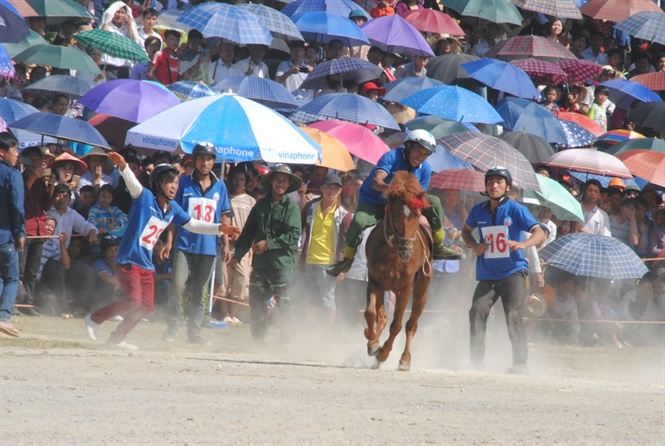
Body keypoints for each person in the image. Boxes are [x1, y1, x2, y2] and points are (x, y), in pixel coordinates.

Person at [83, 153, 240, 350]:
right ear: (158, 183)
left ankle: (117, 337)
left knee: (146, 306)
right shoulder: (144, 198)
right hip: (129, 261)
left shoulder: (173, 208)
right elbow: (132, 183)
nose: (174, 187)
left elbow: (193, 224)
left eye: (176, 182)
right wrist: (123, 166)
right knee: (133, 300)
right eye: (169, 183)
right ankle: (94, 319)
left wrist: (219, 228)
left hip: (146, 265)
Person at [327, 129, 462, 277]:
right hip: (374, 203)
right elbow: (376, 182)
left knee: (434, 200)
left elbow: (419, 196)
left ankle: (438, 245)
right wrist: (395, 189)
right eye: (418, 151)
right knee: (358, 221)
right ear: (409, 146)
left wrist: (417, 209)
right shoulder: (391, 156)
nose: (421, 157)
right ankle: (347, 260)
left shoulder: (426, 169)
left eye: (425, 154)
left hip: (402, 205)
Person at [461, 167, 546, 373]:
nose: (494, 186)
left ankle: (520, 363)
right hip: (488, 273)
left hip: (513, 271)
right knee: (477, 311)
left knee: (513, 314)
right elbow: (465, 231)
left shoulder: (516, 209)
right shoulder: (477, 210)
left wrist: (523, 245)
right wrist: (474, 245)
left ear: (507, 187)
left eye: (499, 182)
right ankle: (476, 362)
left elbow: (539, 232)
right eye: (490, 182)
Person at [162, 143, 232, 345]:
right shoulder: (183, 182)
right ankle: (172, 327)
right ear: (194, 159)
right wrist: (169, 241)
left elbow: (224, 218)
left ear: (214, 161)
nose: (205, 162)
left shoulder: (220, 186)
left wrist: (225, 245)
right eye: (201, 158)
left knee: (200, 291)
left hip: (208, 247)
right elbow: (174, 216)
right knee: (177, 285)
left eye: (209, 158)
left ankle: (194, 332)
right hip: (183, 245)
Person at [230, 164, 302, 342]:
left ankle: (288, 340)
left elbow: (293, 235)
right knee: (257, 304)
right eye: (277, 179)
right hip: (261, 265)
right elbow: (247, 233)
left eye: (285, 180)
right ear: (271, 182)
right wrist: (237, 256)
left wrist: (269, 244)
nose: (281, 183)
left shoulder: (291, 208)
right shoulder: (260, 205)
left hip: (281, 265)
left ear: (289, 184)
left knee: (284, 303)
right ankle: (258, 341)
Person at [298, 173, 348, 332]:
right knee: (303, 299)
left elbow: (347, 245)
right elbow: (299, 227)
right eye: (328, 187)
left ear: (340, 191)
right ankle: (305, 331)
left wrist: (343, 268)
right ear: (321, 188)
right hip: (307, 262)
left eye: (335, 188)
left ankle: (325, 336)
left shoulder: (344, 215)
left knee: (328, 301)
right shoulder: (311, 207)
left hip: (329, 264)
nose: (331, 192)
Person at [19, 146, 54, 316]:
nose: (38, 162)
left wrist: (52, 186)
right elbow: (21, 197)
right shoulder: (20, 178)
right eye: (33, 159)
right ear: (24, 161)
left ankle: (28, 303)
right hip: (25, 229)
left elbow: (46, 205)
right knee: (19, 270)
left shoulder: (41, 181)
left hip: (39, 230)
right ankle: (15, 302)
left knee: (32, 271)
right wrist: (33, 177)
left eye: (39, 159)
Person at [218, 167, 255, 324]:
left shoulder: (251, 201)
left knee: (240, 280)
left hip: (244, 247)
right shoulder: (224, 198)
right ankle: (225, 313)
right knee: (225, 279)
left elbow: (254, 225)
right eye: (235, 179)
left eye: (241, 179)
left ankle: (233, 314)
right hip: (226, 245)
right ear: (229, 179)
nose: (238, 182)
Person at [0, 133, 24, 337]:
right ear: (2, 152)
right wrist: (20, 232)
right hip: (6, 234)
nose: (17, 154)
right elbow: (17, 206)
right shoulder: (13, 175)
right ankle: (4, 317)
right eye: (14, 149)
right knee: (12, 278)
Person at [100, 1, 139, 79]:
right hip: (109, 67)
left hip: (124, 68)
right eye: (117, 12)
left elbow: (133, 44)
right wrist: (107, 18)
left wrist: (129, 27)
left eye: (122, 13)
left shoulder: (126, 29)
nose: (120, 15)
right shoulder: (107, 26)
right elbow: (103, 37)